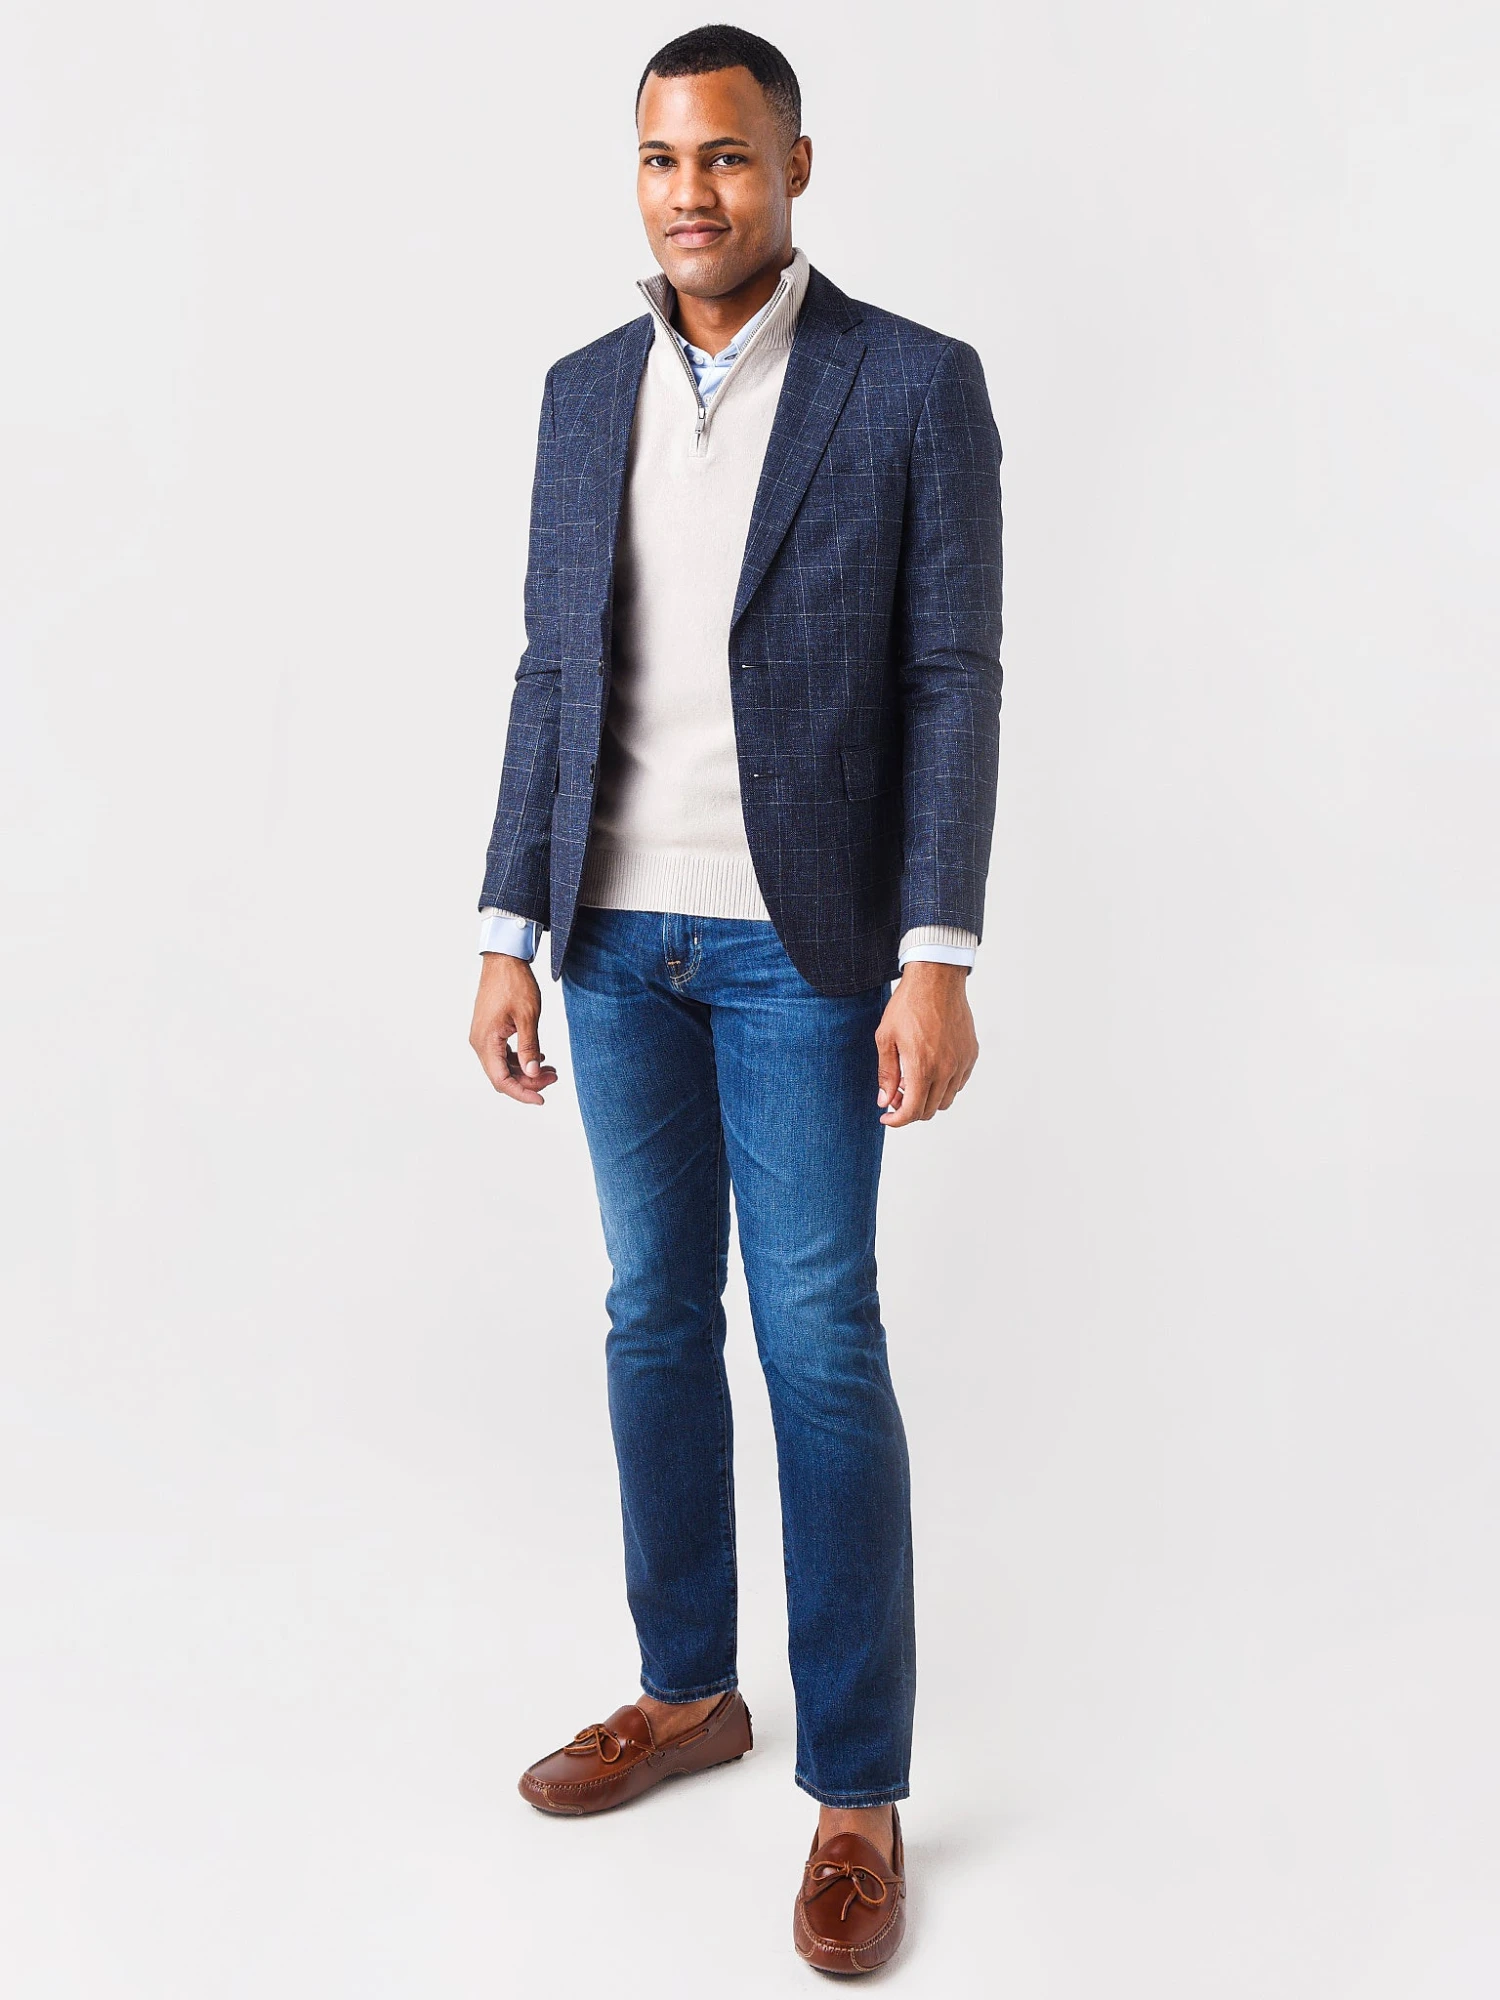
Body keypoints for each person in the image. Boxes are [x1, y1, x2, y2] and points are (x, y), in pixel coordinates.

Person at [468, 23, 1002, 1975]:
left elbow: (952, 673)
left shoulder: (911, 382)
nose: (690, 192)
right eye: (659, 159)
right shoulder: (579, 392)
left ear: (794, 165)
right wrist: (507, 921)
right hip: (614, 937)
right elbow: (551, 667)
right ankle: (688, 1687)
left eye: (724, 156)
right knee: (648, 1316)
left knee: (820, 1340)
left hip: (807, 944)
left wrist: (937, 952)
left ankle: (856, 1788)